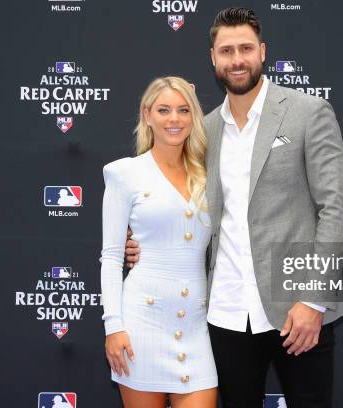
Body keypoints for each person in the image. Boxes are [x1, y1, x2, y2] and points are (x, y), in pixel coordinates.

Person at [126, 8, 343, 408]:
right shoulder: (205, 130)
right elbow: (186, 208)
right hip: (226, 314)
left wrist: (314, 300)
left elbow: (334, 210)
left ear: (262, 52)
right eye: (226, 50)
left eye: (245, 48)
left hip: (296, 311)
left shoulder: (308, 112)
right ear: (213, 58)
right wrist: (144, 245)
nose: (237, 59)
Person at [100, 77, 218, 408]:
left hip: (196, 327)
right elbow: (111, 257)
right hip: (141, 327)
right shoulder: (126, 174)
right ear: (147, 115)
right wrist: (114, 327)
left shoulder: (210, 175)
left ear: (193, 117)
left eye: (183, 110)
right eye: (164, 110)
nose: (174, 119)